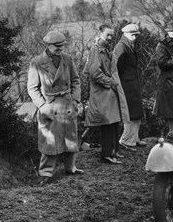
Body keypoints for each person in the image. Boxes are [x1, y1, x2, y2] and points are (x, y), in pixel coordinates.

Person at [27, 31, 82, 183]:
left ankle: (71, 168)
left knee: (70, 139)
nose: (60, 49)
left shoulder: (67, 59)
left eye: (62, 46)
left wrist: (75, 100)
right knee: (49, 142)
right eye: (56, 46)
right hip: (50, 106)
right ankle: (46, 173)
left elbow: (76, 80)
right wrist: (43, 106)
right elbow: (32, 88)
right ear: (48, 45)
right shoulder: (37, 62)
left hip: (67, 104)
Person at [85, 24, 129, 164]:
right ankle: (107, 155)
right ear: (100, 33)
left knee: (114, 122)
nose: (110, 38)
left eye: (112, 35)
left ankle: (115, 151)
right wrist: (109, 82)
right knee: (107, 124)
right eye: (107, 35)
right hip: (103, 93)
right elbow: (94, 73)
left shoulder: (106, 50)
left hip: (110, 92)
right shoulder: (95, 50)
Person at [114, 23, 147, 150]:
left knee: (136, 112)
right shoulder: (121, 47)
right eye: (132, 35)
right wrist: (119, 85)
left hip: (132, 84)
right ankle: (126, 140)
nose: (135, 37)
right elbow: (115, 69)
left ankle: (134, 138)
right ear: (125, 34)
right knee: (130, 113)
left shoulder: (128, 45)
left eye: (136, 35)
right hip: (126, 86)